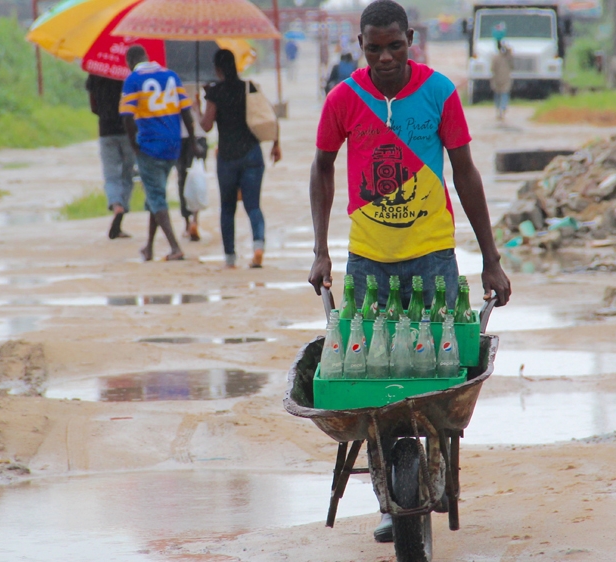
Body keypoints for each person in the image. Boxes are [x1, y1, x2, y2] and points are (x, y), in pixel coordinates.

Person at [307, 0, 511, 542]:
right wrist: (321, 250)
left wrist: (491, 259)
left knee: (438, 378)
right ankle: (388, 498)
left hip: (433, 254)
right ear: (360, 45)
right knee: (376, 388)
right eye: (373, 48)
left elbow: (465, 171)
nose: (384, 58)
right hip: (369, 261)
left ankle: (436, 470)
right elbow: (322, 168)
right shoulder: (344, 99)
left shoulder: (439, 91)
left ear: (410, 39)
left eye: (394, 46)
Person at [200, 49, 282, 269]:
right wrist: (276, 144)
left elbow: (206, 126)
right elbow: (269, 116)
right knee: (253, 206)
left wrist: (200, 102)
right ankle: (258, 247)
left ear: (217, 69)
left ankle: (230, 258)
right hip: (252, 154)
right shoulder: (249, 87)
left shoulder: (215, 92)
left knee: (227, 209)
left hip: (227, 157)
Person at [119, 45, 197, 262]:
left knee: (156, 196)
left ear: (130, 62)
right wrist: (192, 142)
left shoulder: (133, 80)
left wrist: (134, 145)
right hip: (173, 146)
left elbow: (126, 116)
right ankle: (149, 247)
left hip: (150, 147)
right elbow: (186, 112)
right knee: (156, 195)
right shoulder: (171, 76)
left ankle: (175, 247)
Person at [86, 74, 135, 239]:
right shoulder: (128, 74)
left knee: (111, 175)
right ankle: (122, 209)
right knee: (127, 174)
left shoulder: (96, 73)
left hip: (106, 131)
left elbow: (93, 107)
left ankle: (116, 205)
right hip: (128, 130)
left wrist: (105, 113)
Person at [176, 100, 207, 242]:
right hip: (197, 135)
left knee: (183, 179)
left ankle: (188, 223)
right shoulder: (200, 80)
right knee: (196, 178)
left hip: (178, 135)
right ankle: (194, 219)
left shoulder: (170, 82)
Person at [490, 40, 513, 121]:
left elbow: (492, 68)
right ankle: (502, 110)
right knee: (504, 94)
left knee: (498, 95)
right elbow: (512, 65)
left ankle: (499, 110)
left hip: (497, 79)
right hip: (504, 78)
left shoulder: (496, 57)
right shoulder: (508, 58)